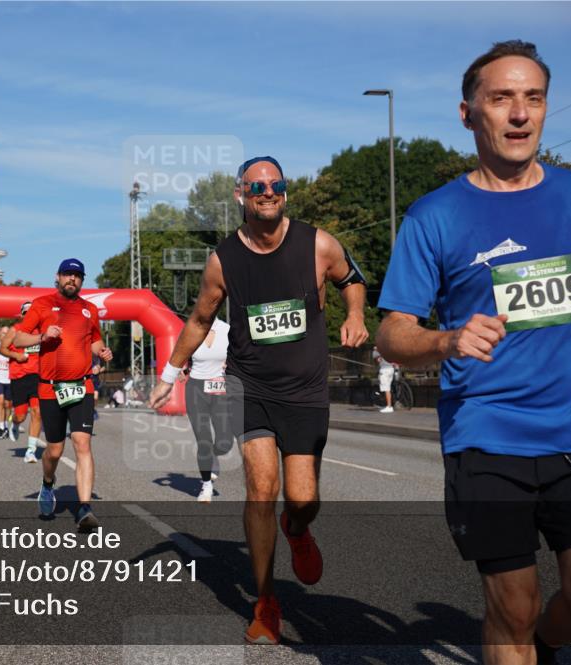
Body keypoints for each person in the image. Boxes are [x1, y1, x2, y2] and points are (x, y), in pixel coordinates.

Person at [375, 41, 571, 665]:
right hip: (486, 441)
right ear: (469, 113)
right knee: (511, 606)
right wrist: (444, 340)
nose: (520, 114)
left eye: (533, 98)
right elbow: (394, 333)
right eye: (501, 99)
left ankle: (547, 643)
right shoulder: (433, 216)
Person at [149, 156, 369, 644]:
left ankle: (297, 526)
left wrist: (354, 314)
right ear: (240, 195)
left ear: (285, 191)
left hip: (306, 391)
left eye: (276, 185)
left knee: (304, 498)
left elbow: (353, 279)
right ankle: (266, 600)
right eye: (257, 186)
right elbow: (200, 319)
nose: (267, 192)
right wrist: (169, 373)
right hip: (250, 387)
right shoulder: (224, 259)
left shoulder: (318, 244)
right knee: (260, 488)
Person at [14, 258, 113, 531]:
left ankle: (84, 509)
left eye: (77, 275)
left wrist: (102, 351)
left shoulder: (89, 309)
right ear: (57, 277)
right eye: (67, 274)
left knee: (82, 443)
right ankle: (48, 484)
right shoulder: (42, 305)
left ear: (82, 280)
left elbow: (94, 339)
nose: (72, 279)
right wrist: (41, 337)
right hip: (50, 387)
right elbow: (18, 339)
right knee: (55, 450)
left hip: (82, 386)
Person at [180, 317, 233, 503]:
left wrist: (231, 364)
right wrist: (182, 368)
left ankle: (214, 457)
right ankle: (206, 486)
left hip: (218, 385)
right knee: (203, 440)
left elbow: (239, 354)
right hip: (195, 387)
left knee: (225, 442)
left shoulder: (227, 330)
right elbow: (181, 354)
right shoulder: (191, 328)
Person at [0, 302, 43, 462]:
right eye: (26, 313)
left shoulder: (41, 332)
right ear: (22, 315)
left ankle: (31, 451)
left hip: (38, 377)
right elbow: (2, 349)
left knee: (37, 412)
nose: (29, 316)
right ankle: (15, 424)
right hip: (19, 377)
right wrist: (16, 356)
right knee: (21, 415)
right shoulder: (15, 330)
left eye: (33, 313)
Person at [372, 346, 396, 414]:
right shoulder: (389, 349)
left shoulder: (378, 351)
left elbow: (377, 361)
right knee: (387, 388)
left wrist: (376, 352)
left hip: (384, 370)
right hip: (391, 368)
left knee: (386, 388)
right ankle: (388, 405)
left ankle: (389, 406)